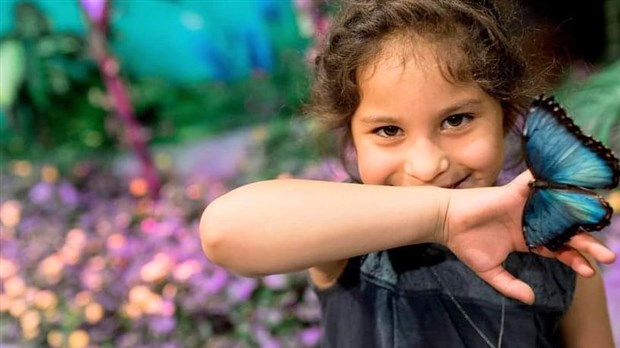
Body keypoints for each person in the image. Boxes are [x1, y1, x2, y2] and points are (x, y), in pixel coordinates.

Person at [199, 1, 617, 347]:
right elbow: (224, 231)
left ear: (505, 115)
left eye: (456, 120)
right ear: (353, 139)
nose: (427, 165)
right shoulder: (350, 236)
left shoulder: (560, 257)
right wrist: (443, 216)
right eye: (388, 130)